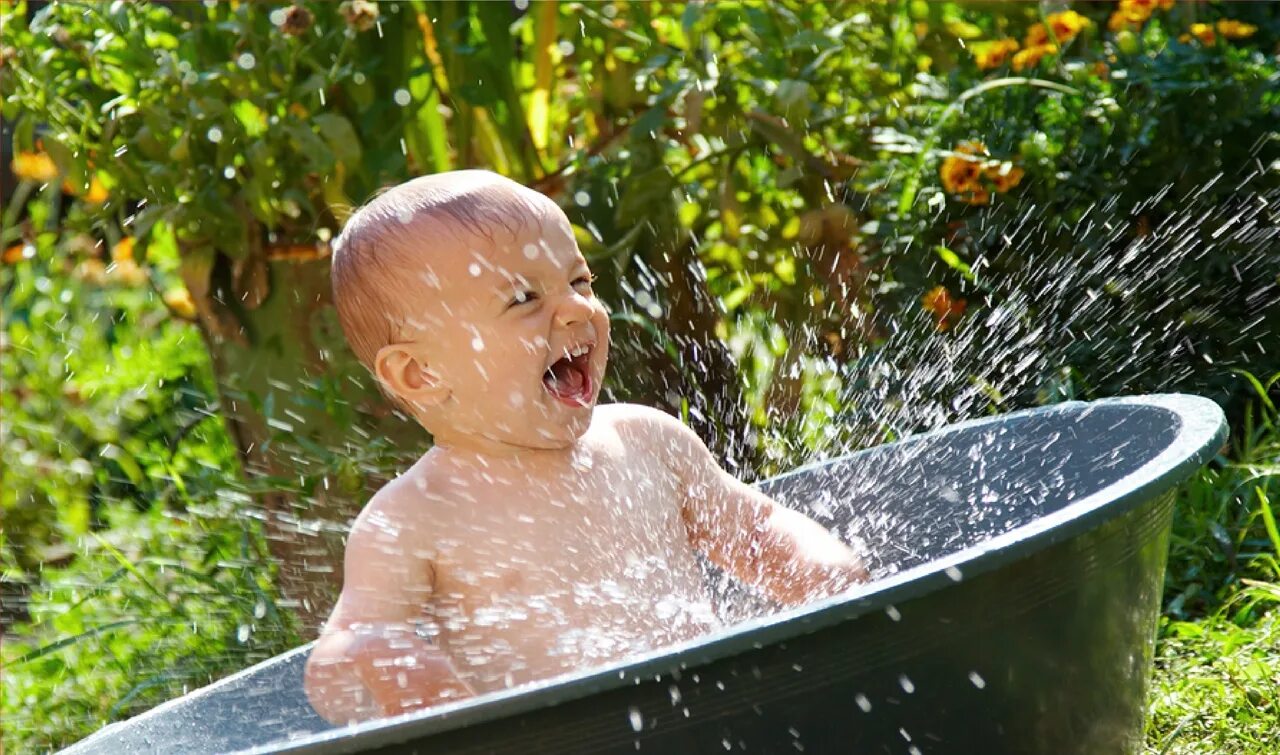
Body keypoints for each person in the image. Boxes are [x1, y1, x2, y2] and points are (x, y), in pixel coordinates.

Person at [303, 170, 868, 724]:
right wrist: (382, 657)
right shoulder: (416, 516)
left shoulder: (646, 441)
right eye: (524, 298)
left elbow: (754, 530)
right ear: (420, 373)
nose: (578, 309)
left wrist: (828, 579)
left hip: (710, 722)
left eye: (579, 283)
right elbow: (339, 660)